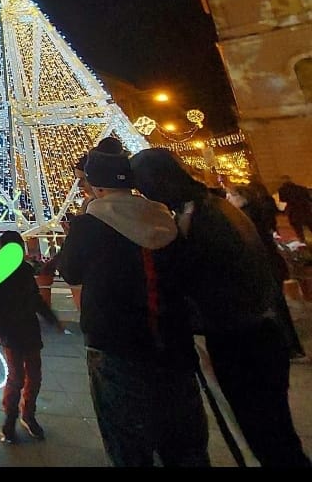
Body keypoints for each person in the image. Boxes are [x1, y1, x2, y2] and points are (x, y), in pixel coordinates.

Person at [131, 148, 311, 467]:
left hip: (242, 340)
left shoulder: (202, 218)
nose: (144, 193)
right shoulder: (213, 207)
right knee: (273, 434)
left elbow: (194, 275)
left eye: (143, 184)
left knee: (268, 435)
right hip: (254, 333)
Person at [59, 147, 209, 466]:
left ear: (96, 186)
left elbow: (69, 270)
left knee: (127, 441)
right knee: (185, 442)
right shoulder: (162, 216)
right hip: (172, 343)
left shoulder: (90, 223)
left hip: (116, 346)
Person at [0, 230, 64, 444]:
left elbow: (35, 298)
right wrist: (0, 333)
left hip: (28, 330)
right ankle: (10, 418)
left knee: (35, 376)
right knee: (17, 377)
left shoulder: (25, 270)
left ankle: (28, 415)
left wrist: (51, 318)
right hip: (11, 333)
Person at [230, 182, 306, 360]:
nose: (229, 199)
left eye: (231, 196)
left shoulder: (245, 217)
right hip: (272, 264)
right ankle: (292, 346)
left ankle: (288, 347)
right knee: (278, 307)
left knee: (274, 307)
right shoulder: (256, 211)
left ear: (242, 197)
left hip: (266, 266)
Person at [278, 176, 312, 245]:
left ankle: (303, 244)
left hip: (294, 212)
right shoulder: (301, 188)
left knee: (299, 231)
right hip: (306, 210)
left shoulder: (282, 190)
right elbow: (308, 198)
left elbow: (283, 200)